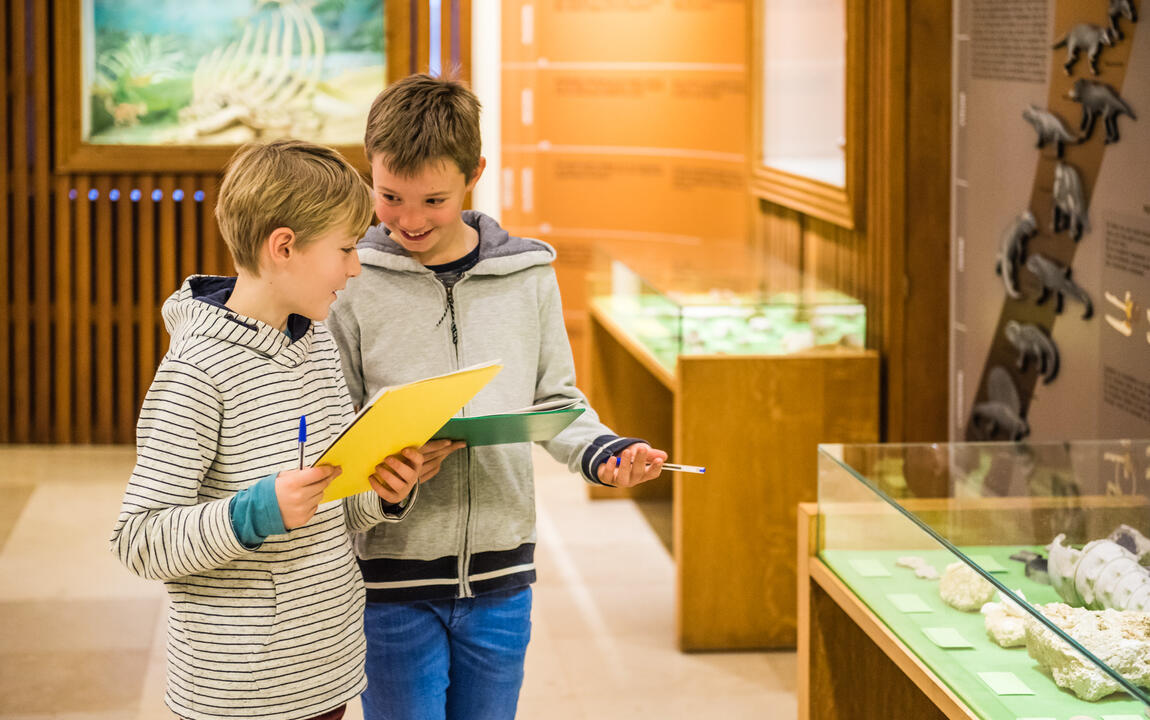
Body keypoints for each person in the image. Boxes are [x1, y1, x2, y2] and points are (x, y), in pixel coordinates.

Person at [327, 73, 669, 720]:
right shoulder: (351, 279)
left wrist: (605, 453)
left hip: (503, 580)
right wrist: (383, 473)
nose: (408, 221)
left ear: (475, 173)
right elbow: (334, 428)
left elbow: (557, 400)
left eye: (433, 200)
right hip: (391, 580)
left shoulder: (530, 274)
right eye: (389, 197)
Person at [109, 139, 452, 720]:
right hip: (239, 694)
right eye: (345, 248)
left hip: (325, 674)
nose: (355, 265)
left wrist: (384, 491)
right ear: (284, 246)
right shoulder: (197, 373)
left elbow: (333, 504)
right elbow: (138, 541)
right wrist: (255, 512)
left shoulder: (316, 342)